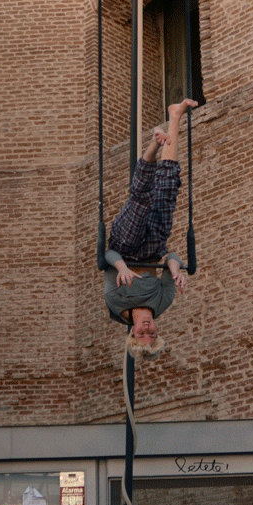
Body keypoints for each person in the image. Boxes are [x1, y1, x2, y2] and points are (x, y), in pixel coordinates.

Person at [104, 99, 197, 358]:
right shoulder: (162, 303)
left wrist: (122, 268)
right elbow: (171, 257)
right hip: (154, 248)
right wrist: (175, 269)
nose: (147, 329)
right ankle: (175, 116)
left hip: (124, 246)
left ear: (132, 333)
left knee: (142, 199)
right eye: (152, 334)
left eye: (142, 334)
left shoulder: (115, 303)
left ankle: (155, 144)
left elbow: (107, 256)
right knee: (167, 189)